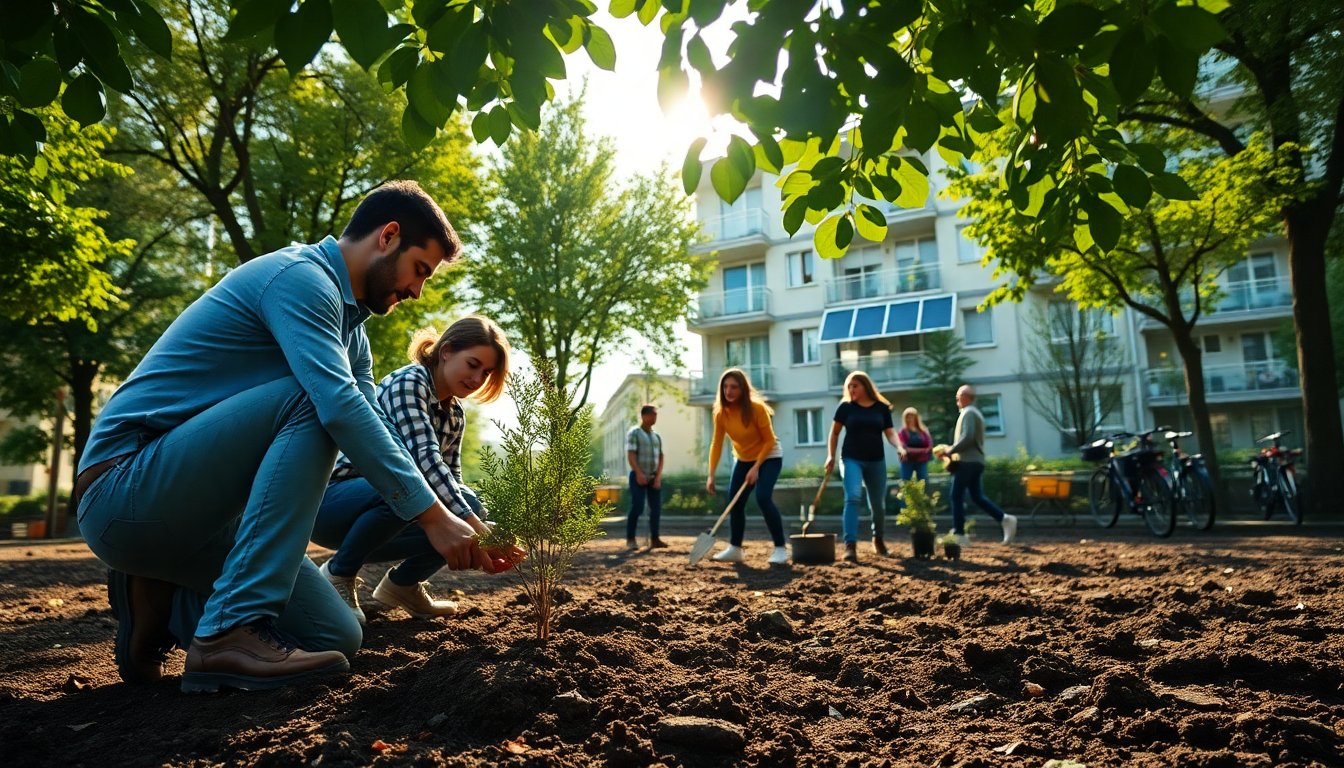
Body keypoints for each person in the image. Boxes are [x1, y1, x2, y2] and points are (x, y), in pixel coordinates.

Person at [75, 181, 504, 694]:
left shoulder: (352, 332)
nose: (417, 291)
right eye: (420, 271)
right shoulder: (300, 278)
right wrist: (432, 519)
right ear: (388, 236)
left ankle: (164, 598)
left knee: (336, 634)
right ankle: (225, 632)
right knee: (318, 399)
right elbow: (340, 409)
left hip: (200, 519)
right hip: (124, 488)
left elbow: (378, 425)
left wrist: (460, 518)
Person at [313, 316, 519, 625]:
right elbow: (423, 464)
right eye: (473, 364)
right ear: (447, 351)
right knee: (409, 487)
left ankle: (403, 586)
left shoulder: (454, 415)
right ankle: (338, 574)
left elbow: (450, 479)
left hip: (388, 507)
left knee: (468, 501)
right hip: (334, 504)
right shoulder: (409, 383)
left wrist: (476, 536)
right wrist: (476, 527)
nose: (478, 379)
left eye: (486, 372)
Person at [705, 368, 789, 565]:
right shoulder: (721, 414)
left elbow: (769, 441)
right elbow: (716, 444)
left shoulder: (756, 409)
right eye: (725, 387)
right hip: (743, 459)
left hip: (769, 456)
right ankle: (735, 549)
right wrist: (711, 474)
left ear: (743, 389)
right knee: (735, 500)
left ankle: (780, 549)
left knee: (762, 497)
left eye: (734, 387)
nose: (729, 391)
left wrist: (757, 467)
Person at [824, 371, 901, 562]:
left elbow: (890, 433)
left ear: (865, 386)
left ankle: (878, 539)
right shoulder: (845, 407)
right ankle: (850, 546)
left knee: (878, 505)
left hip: (876, 460)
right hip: (851, 458)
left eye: (855, 386)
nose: (851, 389)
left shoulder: (881, 408)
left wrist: (900, 446)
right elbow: (834, 434)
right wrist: (830, 456)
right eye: (849, 386)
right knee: (853, 497)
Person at [935, 385, 1018, 547]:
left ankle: (960, 534)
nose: (956, 399)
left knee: (956, 496)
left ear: (966, 397)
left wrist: (950, 450)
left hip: (967, 462)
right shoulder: (974, 413)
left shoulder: (969, 413)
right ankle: (1005, 519)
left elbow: (968, 438)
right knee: (977, 497)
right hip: (976, 461)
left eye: (958, 395)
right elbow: (970, 439)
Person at [624, 404, 666, 550]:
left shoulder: (656, 436)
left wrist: (658, 476)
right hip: (638, 476)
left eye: (656, 414)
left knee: (656, 509)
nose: (655, 417)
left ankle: (655, 539)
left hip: (653, 477)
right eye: (652, 414)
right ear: (643, 416)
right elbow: (631, 454)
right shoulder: (634, 433)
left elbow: (661, 457)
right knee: (638, 506)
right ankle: (630, 539)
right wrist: (638, 473)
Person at [895, 406, 934, 504]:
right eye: (908, 416)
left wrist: (915, 451)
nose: (910, 418)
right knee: (905, 483)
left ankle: (924, 506)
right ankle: (904, 508)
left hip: (921, 461)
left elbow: (929, 446)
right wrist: (921, 451)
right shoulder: (903, 432)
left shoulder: (923, 431)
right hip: (907, 461)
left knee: (924, 482)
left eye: (912, 416)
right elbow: (904, 447)